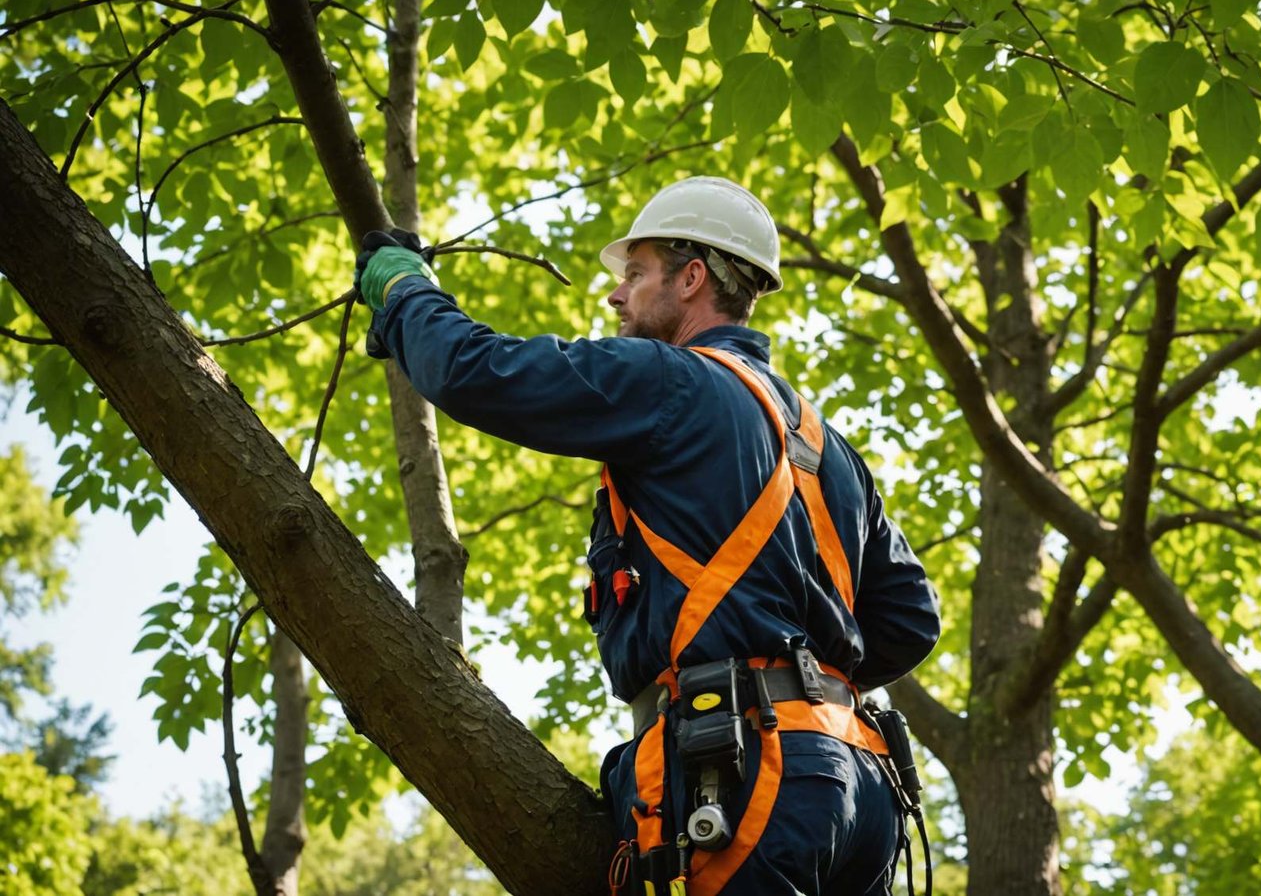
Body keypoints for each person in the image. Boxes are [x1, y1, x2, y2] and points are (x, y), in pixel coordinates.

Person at [354, 176, 941, 895]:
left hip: (746, 772)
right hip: (858, 788)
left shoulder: (671, 382)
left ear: (692, 279)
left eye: (636, 274)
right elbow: (910, 620)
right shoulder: (831, 449)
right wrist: (802, 684)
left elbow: (477, 372)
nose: (615, 294)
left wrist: (406, 294)